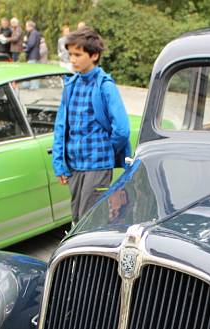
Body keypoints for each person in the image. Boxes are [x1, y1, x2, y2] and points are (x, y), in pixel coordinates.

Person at [52, 28, 131, 224]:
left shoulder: (105, 86)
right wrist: (59, 163)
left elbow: (122, 129)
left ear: (94, 55)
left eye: (78, 54)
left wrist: (106, 150)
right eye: (70, 54)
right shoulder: (71, 85)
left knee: (91, 218)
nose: (73, 59)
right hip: (75, 165)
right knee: (77, 216)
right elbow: (61, 127)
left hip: (97, 165)